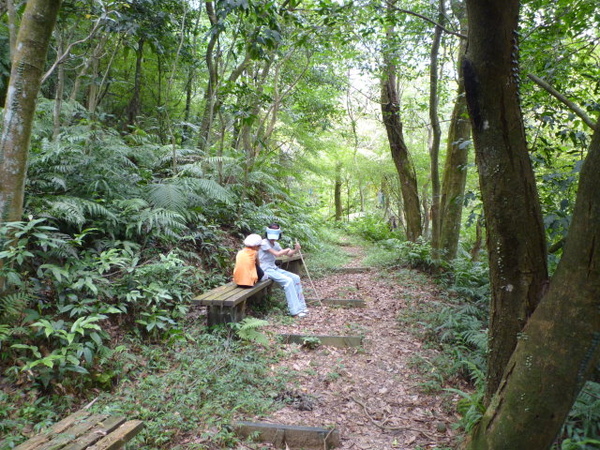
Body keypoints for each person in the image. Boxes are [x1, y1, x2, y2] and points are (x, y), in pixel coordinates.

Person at [258, 223, 308, 318]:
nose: (273, 238)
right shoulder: (264, 243)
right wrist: (287, 249)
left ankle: (302, 306)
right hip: (265, 269)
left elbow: (289, 254)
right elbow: (277, 254)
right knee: (288, 281)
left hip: (273, 268)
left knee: (295, 278)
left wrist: (296, 249)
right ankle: (295, 311)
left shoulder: (276, 244)